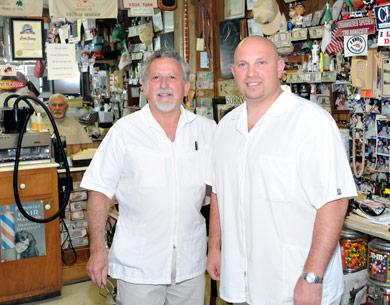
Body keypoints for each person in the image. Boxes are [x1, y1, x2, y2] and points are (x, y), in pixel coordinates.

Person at [207, 36, 357, 305]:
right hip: (242, 281)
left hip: (295, 285)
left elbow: (334, 202)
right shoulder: (226, 127)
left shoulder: (311, 123)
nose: (251, 73)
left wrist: (312, 276)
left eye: (261, 63)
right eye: (243, 64)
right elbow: (219, 190)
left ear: (280, 67)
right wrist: (214, 247)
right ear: (234, 73)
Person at [80, 49, 216, 305]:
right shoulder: (124, 132)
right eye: (156, 78)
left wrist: (217, 247)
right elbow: (99, 192)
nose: (164, 85)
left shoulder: (207, 131)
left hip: (190, 264)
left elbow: (218, 192)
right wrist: (98, 250)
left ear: (186, 87)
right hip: (139, 266)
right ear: (144, 87)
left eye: (172, 77)